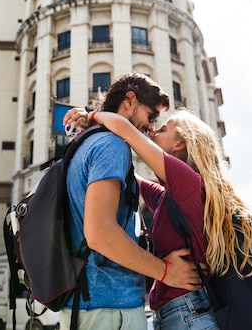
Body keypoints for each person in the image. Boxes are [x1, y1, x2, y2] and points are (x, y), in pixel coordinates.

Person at [64, 106, 252, 329]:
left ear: (179, 144)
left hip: (189, 313)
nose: (152, 132)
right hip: (181, 312)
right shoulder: (171, 197)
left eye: (162, 129)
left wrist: (91, 116)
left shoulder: (188, 183)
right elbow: (129, 176)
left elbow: (127, 131)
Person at [61, 72, 203, 330]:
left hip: (89, 303)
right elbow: (100, 234)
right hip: (110, 307)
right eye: (152, 117)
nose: (151, 128)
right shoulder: (111, 146)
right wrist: (164, 271)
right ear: (130, 100)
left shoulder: (90, 144)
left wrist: (91, 118)